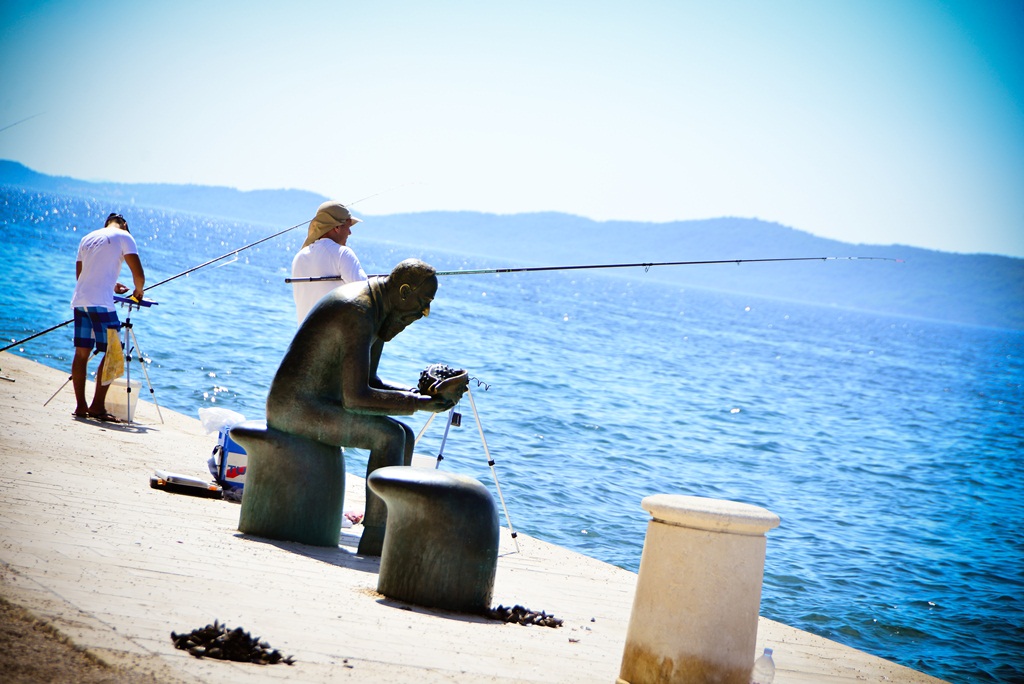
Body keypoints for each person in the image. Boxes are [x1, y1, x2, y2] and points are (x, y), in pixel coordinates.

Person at [266, 258, 467, 555]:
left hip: (323, 401)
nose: (426, 312)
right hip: (296, 406)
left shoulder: (379, 310)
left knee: (405, 434)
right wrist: (418, 403)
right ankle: (376, 540)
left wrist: (420, 394)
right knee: (389, 436)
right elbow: (356, 398)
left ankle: (391, 530)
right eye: (424, 301)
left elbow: (369, 380)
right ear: (404, 291)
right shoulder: (358, 313)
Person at [70, 212, 146, 422]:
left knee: (82, 353)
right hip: (102, 304)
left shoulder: (88, 237)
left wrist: (112, 286)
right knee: (113, 352)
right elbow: (139, 276)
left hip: (81, 300)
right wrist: (139, 292)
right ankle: (97, 407)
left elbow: (82, 276)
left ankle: (81, 406)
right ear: (125, 225)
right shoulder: (125, 236)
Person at [291, 200, 367, 324]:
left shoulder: (298, 257)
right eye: (348, 226)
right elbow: (366, 295)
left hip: (304, 339)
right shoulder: (343, 253)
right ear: (337, 227)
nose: (350, 232)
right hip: (335, 340)